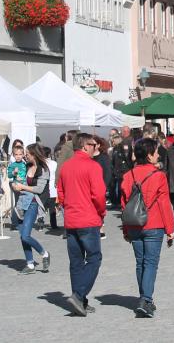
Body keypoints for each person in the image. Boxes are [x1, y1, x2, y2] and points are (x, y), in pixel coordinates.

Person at [120, 139, 174, 318]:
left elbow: (124, 205)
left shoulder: (128, 175)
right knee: (150, 263)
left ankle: (145, 298)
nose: (158, 155)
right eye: (156, 152)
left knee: (140, 262)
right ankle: (146, 299)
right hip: (154, 223)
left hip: (134, 224)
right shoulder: (159, 176)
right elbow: (164, 204)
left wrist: (125, 229)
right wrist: (170, 230)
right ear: (150, 155)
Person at [56, 133, 107, 316]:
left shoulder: (66, 166)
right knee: (94, 258)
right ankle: (78, 295)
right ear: (85, 146)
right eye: (93, 145)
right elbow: (99, 195)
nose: (96, 147)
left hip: (71, 220)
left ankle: (80, 301)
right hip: (88, 218)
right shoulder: (92, 166)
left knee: (76, 261)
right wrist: (101, 213)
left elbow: (60, 192)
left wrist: (68, 206)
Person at [10, 145, 51, 275]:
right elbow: (16, 180)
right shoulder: (25, 166)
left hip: (34, 203)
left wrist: (22, 187)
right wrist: (15, 185)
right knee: (23, 235)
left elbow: (39, 189)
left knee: (25, 235)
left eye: (27, 153)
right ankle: (30, 263)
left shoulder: (43, 170)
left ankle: (44, 253)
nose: (25, 155)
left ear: (34, 154)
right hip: (21, 202)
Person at [111, 135, 134, 211]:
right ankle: (121, 204)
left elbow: (127, 160)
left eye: (114, 140)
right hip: (118, 172)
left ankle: (124, 204)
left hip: (124, 171)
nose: (113, 142)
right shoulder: (115, 149)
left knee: (124, 189)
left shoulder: (123, 148)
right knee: (120, 189)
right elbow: (114, 161)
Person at [42, 146, 60, 230]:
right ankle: (53, 224)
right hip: (53, 187)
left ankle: (40, 223)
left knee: (42, 206)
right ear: (49, 154)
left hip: (43, 187)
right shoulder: (54, 163)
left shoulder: (41, 164)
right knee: (52, 207)